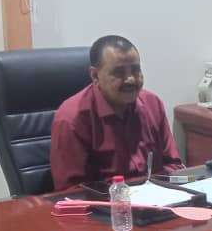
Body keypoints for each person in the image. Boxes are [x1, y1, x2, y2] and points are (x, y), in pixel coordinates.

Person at [50, 35, 183, 191]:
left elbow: (173, 165)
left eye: (136, 70)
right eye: (119, 72)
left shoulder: (153, 104)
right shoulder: (72, 118)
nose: (131, 79)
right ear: (95, 76)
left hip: (157, 198)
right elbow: (72, 191)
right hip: (105, 203)